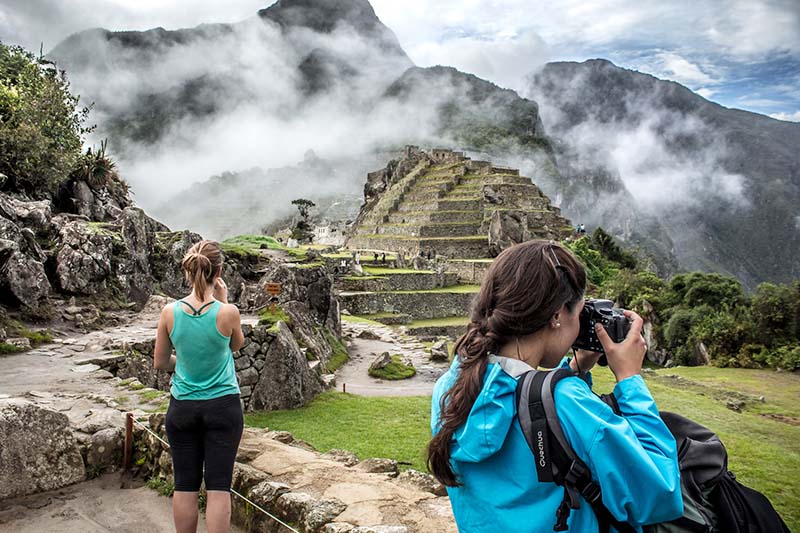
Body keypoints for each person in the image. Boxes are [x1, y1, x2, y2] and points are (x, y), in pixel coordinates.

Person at [428, 240, 682, 532]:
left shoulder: (452, 386)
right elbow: (660, 494)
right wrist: (629, 379)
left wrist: (574, 369)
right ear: (558, 315)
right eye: (579, 314)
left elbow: (521, 401)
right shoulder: (566, 402)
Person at [154, 240, 245, 533]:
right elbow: (236, 345)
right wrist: (224, 298)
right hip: (223, 406)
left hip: (182, 408)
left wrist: (182, 362)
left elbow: (160, 361)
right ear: (218, 272)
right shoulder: (228, 312)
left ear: (188, 271)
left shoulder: (170, 311)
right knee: (219, 487)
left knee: (184, 485)